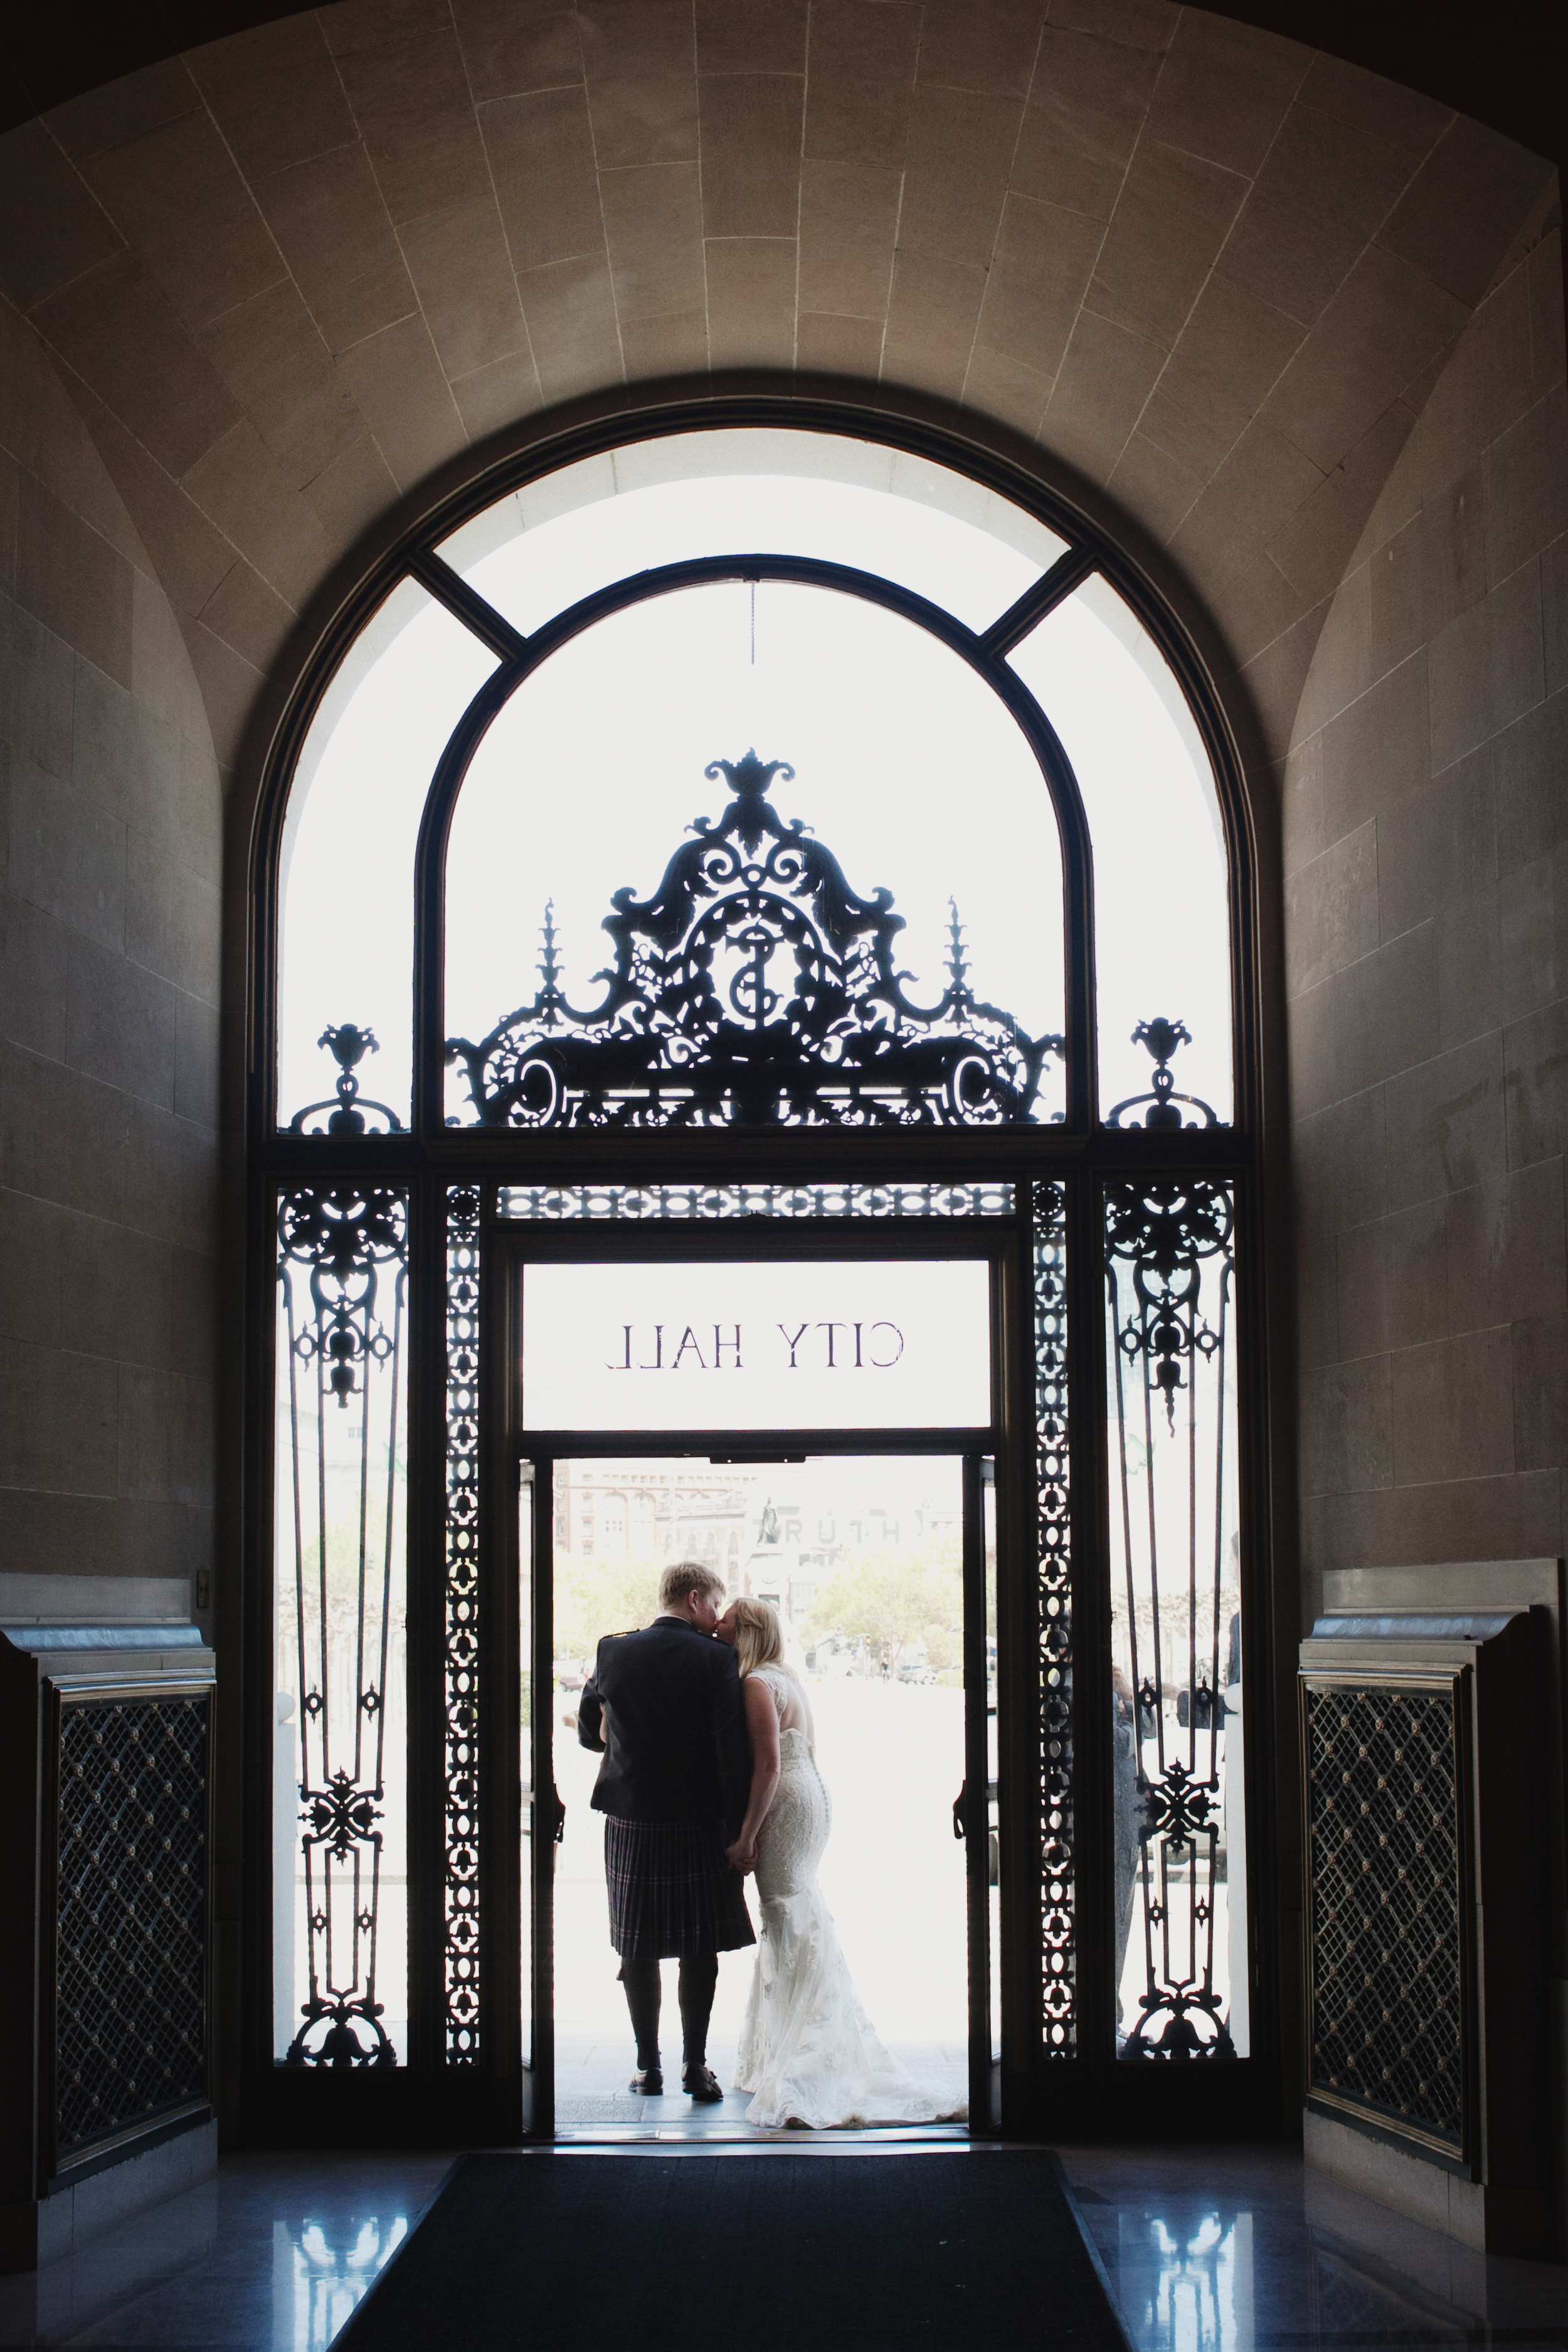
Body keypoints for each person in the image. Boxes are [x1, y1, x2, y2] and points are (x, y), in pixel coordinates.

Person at [718, 1596, 962, 2128]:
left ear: (748, 1632)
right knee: (797, 1914)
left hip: (784, 1804)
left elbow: (767, 1766)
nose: (718, 1628)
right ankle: (792, 2048)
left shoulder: (756, 1684)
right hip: (811, 1797)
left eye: (728, 1624)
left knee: (784, 1913)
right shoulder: (788, 1679)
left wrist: (746, 1834)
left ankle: (804, 2066)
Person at [577, 1561, 753, 2102]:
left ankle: (646, 2067)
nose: (718, 1617)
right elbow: (732, 1755)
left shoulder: (614, 1650)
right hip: (698, 1821)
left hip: (632, 1818)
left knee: (637, 1946)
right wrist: (738, 1830)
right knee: (699, 1949)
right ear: (695, 1598)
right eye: (715, 1606)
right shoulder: (716, 1657)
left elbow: (589, 1732)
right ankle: (694, 2066)